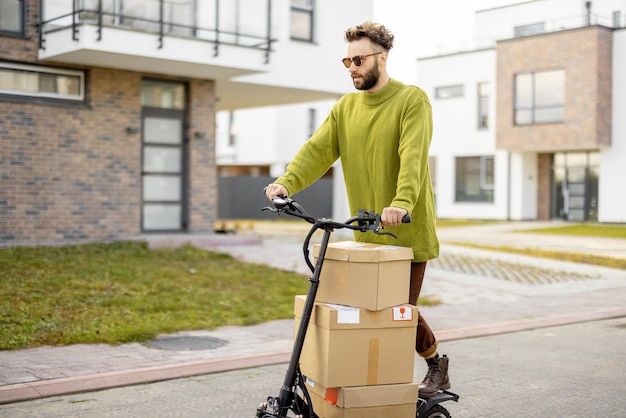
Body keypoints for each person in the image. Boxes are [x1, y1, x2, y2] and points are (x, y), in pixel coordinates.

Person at [264, 21, 450, 398]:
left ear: (381, 58)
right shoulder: (346, 107)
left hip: (407, 231)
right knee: (368, 310)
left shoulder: (411, 100)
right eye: (347, 60)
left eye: (359, 59)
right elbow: (317, 151)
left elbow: (412, 158)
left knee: (398, 311)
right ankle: (366, 382)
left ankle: (435, 365)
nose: (352, 67)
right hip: (367, 232)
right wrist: (287, 182)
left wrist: (401, 203)